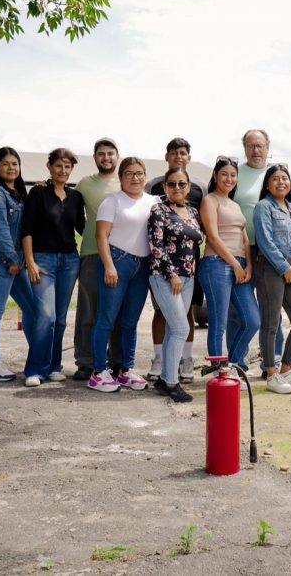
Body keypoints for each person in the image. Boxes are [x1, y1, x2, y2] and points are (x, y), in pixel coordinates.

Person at [88, 157, 159, 392]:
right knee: (106, 319)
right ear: (120, 177)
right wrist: (109, 266)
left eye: (139, 173)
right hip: (117, 262)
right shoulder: (112, 201)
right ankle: (98, 372)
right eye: (128, 173)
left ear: (145, 176)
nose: (134, 178)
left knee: (130, 321)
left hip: (143, 265)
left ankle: (126, 370)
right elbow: (101, 236)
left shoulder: (153, 201)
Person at [144, 137, 206, 383]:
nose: (177, 187)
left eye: (182, 184)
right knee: (178, 326)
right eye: (172, 184)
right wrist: (171, 274)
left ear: (188, 187)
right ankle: (168, 377)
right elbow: (156, 245)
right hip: (166, 275)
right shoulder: (158, 207)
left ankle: (171, 375)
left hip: (189, 274)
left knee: (179, 325)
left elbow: (200, 236)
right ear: (165, 186)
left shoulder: (193, 210)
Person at [21, 148, 85, 387]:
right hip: (42, 260)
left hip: (69, 261)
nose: (63, 170)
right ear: (49, 166)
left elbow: (82, 228)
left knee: (59, 319)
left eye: (67, 167)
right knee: (45, 316)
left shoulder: (76, 197)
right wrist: (30, 261)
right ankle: (35, 369)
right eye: (59, 165)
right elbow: (26, 229)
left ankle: (54, 366)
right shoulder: (38, 193)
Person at [0, 147, 36, 382]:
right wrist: (11, 259)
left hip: (15, 261)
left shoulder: (18, 193)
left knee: (33, 308)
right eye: (5, 164)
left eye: (14, 163)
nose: (11, 168)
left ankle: (37, 357)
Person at [198, 157, 261, 372]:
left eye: (233, 175)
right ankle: (218, 369)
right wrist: (235, 264)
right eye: (224, 174)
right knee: (219, 322)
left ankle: (232, 363)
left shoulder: (235, 205)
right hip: (216, 265)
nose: (229, 179)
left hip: (240, 266)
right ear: (215, 175)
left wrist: (248, 265)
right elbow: (213, 237)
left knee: (252, 320)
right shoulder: (210, 201)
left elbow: (245, 240)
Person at [253, 164, 291, 394]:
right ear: (267, 184)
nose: (281, 182)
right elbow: (265, 241)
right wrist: (284, 268)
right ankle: (271, 374)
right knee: (271, 323)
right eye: (275, 178)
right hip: (270, 268)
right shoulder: (263, 206)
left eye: (284, 178)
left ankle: (285, 370)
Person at [231, 129, 284, 374]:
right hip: (240, 250)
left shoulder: (276, 175)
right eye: (251, 145)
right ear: (244, 148)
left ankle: (272, 362)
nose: (255, 150)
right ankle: (237, 362)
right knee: (238, 311)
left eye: (260, 145)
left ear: (267, 147)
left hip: (270, 251)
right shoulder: (235, 173)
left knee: (272, 309)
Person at [72, 138, 123, 380]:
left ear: (117, 156)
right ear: (94, 157)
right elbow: (73, 213)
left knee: (116, 312)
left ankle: (115, 361)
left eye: (110, 153)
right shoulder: (84, 184)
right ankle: (86, 362)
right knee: (88, 311)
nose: (106, 158)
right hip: (92, 253)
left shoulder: (125, 181)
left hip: (121, 254)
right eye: (101, 154)